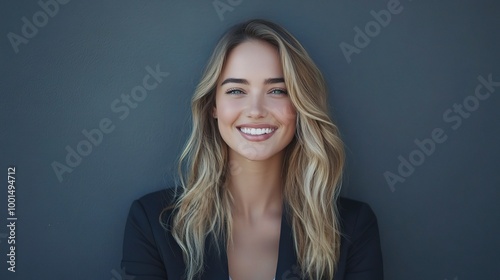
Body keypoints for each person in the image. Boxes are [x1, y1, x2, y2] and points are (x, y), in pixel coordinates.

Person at [121, 19, 383, 280]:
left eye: (277, 90)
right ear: (213, 106)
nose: (256, 110)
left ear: (300, 105)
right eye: (236, 90)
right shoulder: (153, 222)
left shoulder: (352, 227)